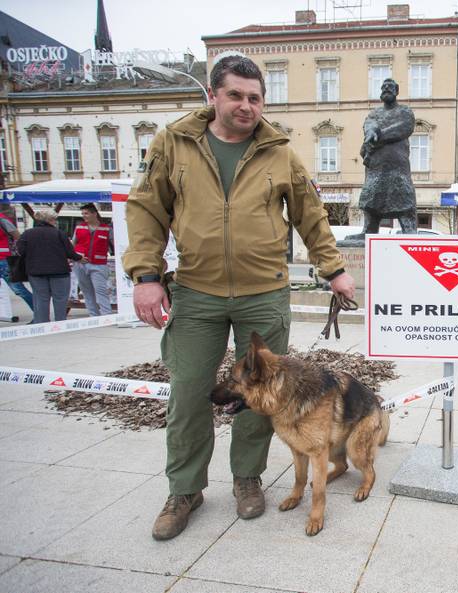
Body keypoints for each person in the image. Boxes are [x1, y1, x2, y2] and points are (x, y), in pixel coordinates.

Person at [123, 55, 355, 542]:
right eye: (236, 95)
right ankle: (184, 489)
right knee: (188, 393)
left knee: (263, 397)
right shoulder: (174, 143)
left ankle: (247, 479)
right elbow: (146, 209)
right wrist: (146, 275)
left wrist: (333, 270)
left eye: (255, 97)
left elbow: (310, 215)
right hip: (197, 292)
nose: (247, 106)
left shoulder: (279, 151)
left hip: (263, 293)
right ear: (213, 95)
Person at [352, 78, 417, 237]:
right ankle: (368, 231)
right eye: (384, 87)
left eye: (390, 87)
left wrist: (378, 136)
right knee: (372, 198)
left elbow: (404, 128)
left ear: (397, 91)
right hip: (376, 166)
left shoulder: (405, 111)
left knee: (404, 199)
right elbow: (369, 125)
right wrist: (371, 132)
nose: (386, 89)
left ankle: (409, 232)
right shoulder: (374, 114)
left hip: (397, 166)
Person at [16, 209, 83, 323]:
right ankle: (60, 323)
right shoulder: (59, 233)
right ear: (51, 220)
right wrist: (80, 258)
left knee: (41, 299)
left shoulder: (28, 233)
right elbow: (69, 253)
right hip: (59, 272)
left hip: (36, 272)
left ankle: (42, 324)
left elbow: (21, 251)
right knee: (60, 299)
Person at [72, 203, 113, 316]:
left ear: (94, 214)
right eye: (83, 214)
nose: (84, 216)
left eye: (86, 213)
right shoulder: (79, 227)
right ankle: (93, 316)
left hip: (98, 264)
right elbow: (73, 244)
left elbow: (113, 244)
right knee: (87, 292)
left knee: (101, 291)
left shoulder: (106, 229)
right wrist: (76, 258)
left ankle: (106, 316)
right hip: (80, 264)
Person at [0, 208, 34, 312]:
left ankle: (40, 314)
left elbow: (18, 237)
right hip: (4, 260)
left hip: (5, 260)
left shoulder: (2, 220)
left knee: (18, 289)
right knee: (18, 289)